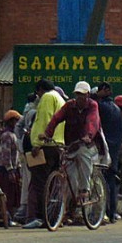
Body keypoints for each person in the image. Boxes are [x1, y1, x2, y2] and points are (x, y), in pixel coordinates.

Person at [41, 81, 101, 209]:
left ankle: (85, 189)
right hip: (71, 144)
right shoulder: (69, 106)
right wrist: (47, 133)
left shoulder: (92, 106)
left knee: (83, 154)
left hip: (87, 144)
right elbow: (56, 118)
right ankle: (72, 203)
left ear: (88, 95)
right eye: (78, 94)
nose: (79, 97)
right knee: (70, 175)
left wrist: (88, 135)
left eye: (82, 94)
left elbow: (93, 121)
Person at [23, 78, 65, 229]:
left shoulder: (47, 97)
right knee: (53, 184)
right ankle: (53, 217)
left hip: (45, 146)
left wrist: (38, 144)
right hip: (57, 145)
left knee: (40, 183)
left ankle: (40, 217)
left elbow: (45, 120)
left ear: (41, 89)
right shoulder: (60, 99)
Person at [95, 82, 122, 223]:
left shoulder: (101, 107)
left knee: (100, 180)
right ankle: (111, 213)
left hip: (103, 149)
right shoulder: (116, 109)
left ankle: (103, 212)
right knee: (111, 181)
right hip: (115, 149)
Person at [0, 109, 21, 219]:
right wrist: (10, 170)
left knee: (12, 195)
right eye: (16, 121)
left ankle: (9, 217)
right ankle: (4, 217)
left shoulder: (13, 135)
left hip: (11, 169)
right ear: (11, 121)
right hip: (4, 170)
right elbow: (6, 154)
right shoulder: (7, 135)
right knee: (6, 195)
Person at [13, 92, 38, 221]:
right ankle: (29, 211)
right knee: (32, 180)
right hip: (33, 147)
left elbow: (18, 127)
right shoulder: (35, 112)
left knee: (27, 179)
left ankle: (24, 208)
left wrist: (20, 141)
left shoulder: (26, 112)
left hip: (25, 147)